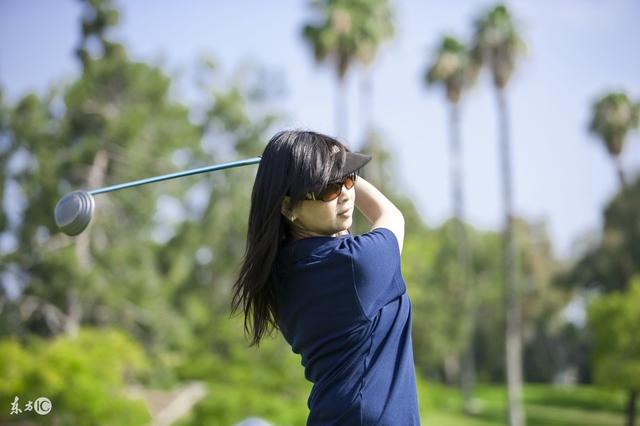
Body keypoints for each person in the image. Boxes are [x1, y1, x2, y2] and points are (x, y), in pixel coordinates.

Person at [231, 130, 420, 425]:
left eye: (348, 177)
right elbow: (391, 215)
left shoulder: (279, 272)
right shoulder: (356, 264)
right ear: (287, 206)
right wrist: (319, 165)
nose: (345, 192)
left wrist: (307, 167)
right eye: (327, 188)